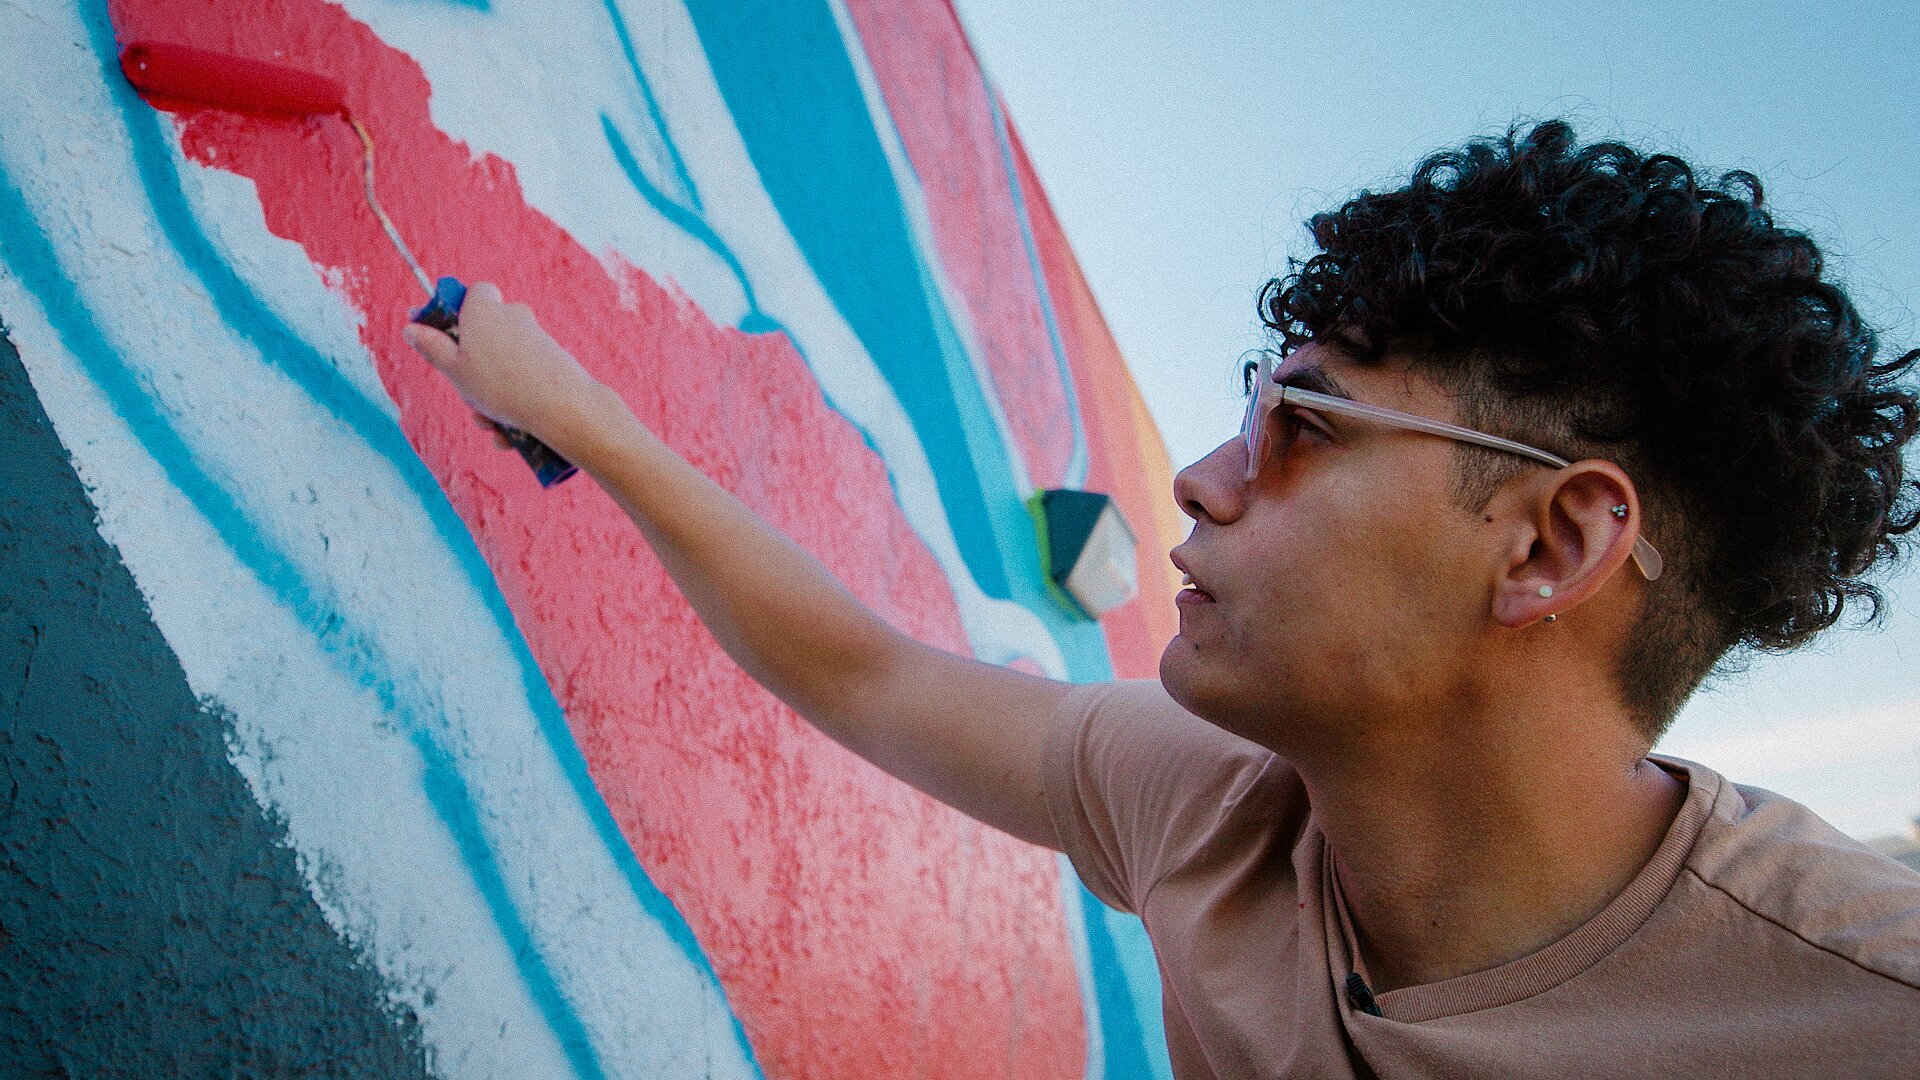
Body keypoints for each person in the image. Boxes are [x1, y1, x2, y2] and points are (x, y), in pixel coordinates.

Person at [404, 120, 1920, 1078]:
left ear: (1548, 546)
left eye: (1304, 427)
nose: (1201, 479)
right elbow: (864, 672)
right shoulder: (1211, 808)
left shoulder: (1860, 1009)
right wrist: (584, 420)